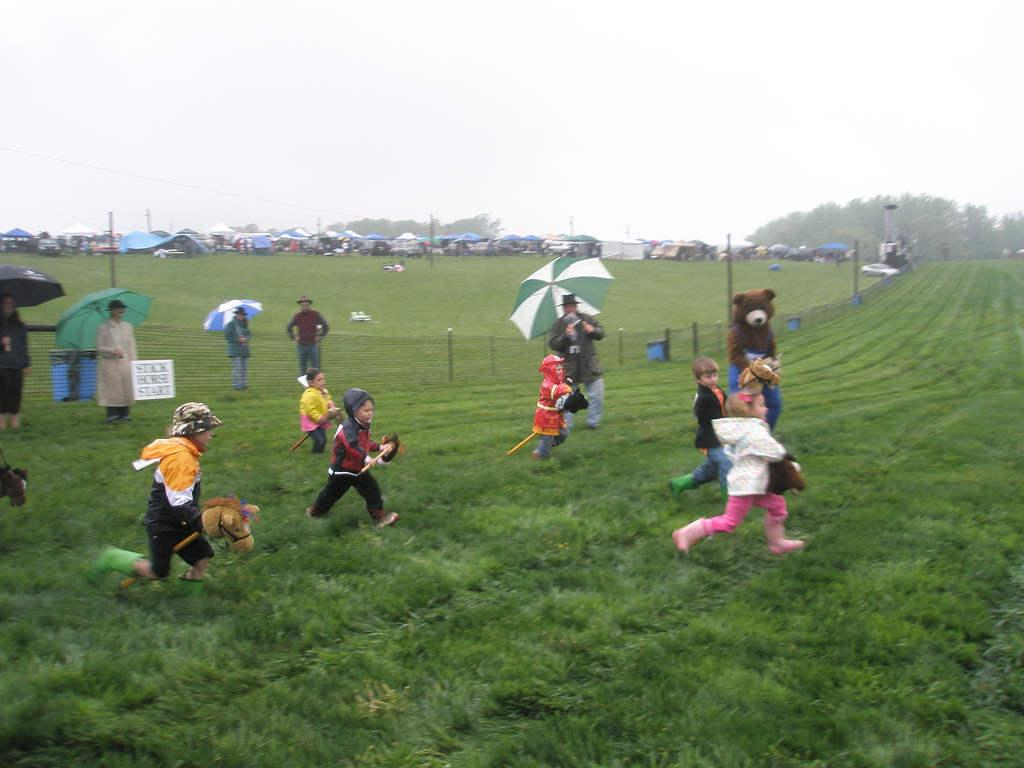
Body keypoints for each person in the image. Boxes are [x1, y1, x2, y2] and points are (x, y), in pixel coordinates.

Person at [87, 402, 222, 594]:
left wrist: (196, 522)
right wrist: (201, 522)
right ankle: (112, 557)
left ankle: (189, 601)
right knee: (158, 572)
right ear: (192, 431)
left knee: (202, 557)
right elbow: (179, 502)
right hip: (165, 524)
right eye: (208, 429)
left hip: (182, 522)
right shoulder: (180, 459)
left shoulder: (184, 451)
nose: (211, 434)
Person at [672, 391, 803, 555]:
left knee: (778, 506)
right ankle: (686, 533)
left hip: (754, 483)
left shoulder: (740, 431)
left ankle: (777, 543)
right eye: (761, 406)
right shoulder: (753, 432)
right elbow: (775, 452)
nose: (766, 409)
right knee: (729, 522)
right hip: (745, 487)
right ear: (749, 411)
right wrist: (791, 462)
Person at [305, 388, 399, 528]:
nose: (370, 413)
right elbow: (352, 446)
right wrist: (366, 459)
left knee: (372, 489)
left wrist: (380, 447)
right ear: (353, 410)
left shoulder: (362, 425)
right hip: (343, 470)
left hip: (358, 469)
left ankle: (380, 518)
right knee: (331, 494)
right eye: (365, 410)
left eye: (371, 410)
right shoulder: (348, 427)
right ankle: (315, 511)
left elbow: (365, 443)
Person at [668, 357, 731, 502]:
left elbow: (728, 405)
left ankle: (679, 483)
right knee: (726, 461)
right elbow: (715, 420)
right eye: (708, 377)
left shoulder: (717, 391)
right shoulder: (704, 398)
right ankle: (730, 500)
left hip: (722, 435)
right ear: (698, 379)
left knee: (711, 470)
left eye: (715, 375)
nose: (713, 379)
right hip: (711, 439)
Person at [548, 293, 604, 429]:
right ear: (563, 309)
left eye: (572, 306)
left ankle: (593, 424)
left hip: (590, 366)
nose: (570, 309)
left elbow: (601, 332)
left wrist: (593, 330)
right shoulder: (558, 324)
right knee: (565, 399)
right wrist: (565, 336)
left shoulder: (586, 319)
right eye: (567, 307)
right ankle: (566, 426)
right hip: (568, 369)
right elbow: (553, 344)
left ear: (576, 307)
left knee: (597, 396)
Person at [96, 298, 137, 422]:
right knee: (111, 389)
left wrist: (134, 363)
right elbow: (98, 348)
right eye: (118, 308)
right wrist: (111, 351)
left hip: (125, 361)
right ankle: (112, 414)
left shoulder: (128, 327)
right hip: (110, 363)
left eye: (122, 308)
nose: (121, 310)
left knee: (126, 387)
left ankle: (125, 413)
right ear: (112, 310)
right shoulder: (103, 328)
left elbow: (131, 346)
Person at [531, 354, 573, 459]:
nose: (560, 371)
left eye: (560, 369)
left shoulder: (559, 383)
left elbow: (563, 396)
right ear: (550, 371)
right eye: (557, 369)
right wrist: (566, 384)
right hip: (546, 416)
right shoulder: (547, 384)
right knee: (547, 437)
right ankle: (540, 455)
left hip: (556, 415)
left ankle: (549, 444)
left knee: (564, 434)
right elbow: (556, 393)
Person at [0, 295, 30, 429]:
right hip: (2, 365)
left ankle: (14, 424)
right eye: (6, 303)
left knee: (16, 394)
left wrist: (27, 363)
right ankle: (1, 424)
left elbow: (23, 346)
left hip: (17, 365)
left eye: (11, 303)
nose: (9, 306)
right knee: (3, 394)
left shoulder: (19, 326)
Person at [287, 295, 329, 374]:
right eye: (302, 302)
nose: (304, 304)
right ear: (300, 304)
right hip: (301, 346)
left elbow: (326, 326)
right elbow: (288, 328)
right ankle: (305, 385)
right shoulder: (297, 316)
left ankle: (316, 385)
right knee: (303, 367)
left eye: (306, 302)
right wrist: (293, 336)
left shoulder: (316, 314)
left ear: (309, 304)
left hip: (313, 346)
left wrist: (320, 336)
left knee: (316, 367)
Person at [299, 367, 334, 454]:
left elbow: (328, 400)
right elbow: (310, 410)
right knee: (319, 440)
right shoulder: (309, 394)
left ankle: (320, 453)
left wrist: (330, 405)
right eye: (319, 380)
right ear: (311, 382)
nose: (323, 382)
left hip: (322, 419)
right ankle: (315, 454)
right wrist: (319, 418)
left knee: (324, 440)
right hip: (310, 420)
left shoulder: (324, 391)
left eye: (323, 379)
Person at [224, 306, 251, 390]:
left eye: (242, 315)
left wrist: (245, 339)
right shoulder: (231, 324)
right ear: (237, 315)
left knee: (244, 369)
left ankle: (243, 385)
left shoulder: (245, 324)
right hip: (235, 350)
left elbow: (249, 334)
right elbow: (227, 337)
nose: (241, 316)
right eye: (240, 315)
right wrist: (238, 340)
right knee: (238, 369)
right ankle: (237, 385)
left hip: (244, 350)